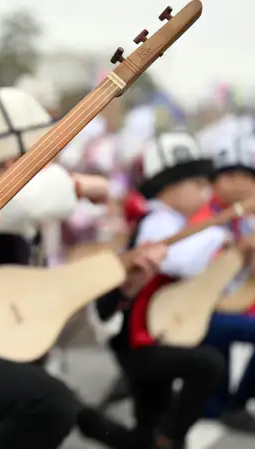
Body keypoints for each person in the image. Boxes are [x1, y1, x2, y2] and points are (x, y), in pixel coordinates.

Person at [0, 86, 154, 449]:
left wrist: (122, 289)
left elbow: (55, 319)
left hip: (2, 353)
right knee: (49, 403)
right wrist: (79, 183)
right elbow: (33, 200)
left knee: (59, 403)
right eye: (45, 156)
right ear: (12, 162)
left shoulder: (30, 221)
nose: (54, 164)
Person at [105, 131, 227, 449]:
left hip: (158, 329)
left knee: (149, 419)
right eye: (198, 185)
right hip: (138, 337)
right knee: (207, 364)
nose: (206, 192)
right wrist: (218, 235)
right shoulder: (157, 222)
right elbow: (181, 263)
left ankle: (147, 434)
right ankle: (166, 435)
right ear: (169, 186)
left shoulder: (174, 222)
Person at [200, 131, 255, 431]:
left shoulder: (245, 217)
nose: (239, 182)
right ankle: (229, 405)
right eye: (230, 175)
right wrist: (236, 250)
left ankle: (227, 404)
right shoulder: (204, 215)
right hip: (200, 307)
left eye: (245, 175)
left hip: (232, 302)